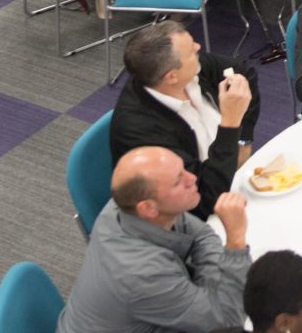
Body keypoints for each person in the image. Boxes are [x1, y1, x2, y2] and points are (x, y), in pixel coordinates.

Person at [48, 147, 250, 333]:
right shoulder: (139, 272)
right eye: (178, 180)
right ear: (148, 208)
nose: (193, 178)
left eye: (184, 170)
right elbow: (229, 318)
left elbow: (201, 235)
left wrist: (197, 317)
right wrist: (236, 241)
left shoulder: (122, 210)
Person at [111, 22, 260, 220]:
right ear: (172, 76)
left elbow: (244, 72)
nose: (198, 47)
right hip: (197, 215)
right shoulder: (142, 131)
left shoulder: (186, 70)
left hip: (230, 173)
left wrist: (243, 141)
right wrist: (231, 122)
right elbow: (204, 199)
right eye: (191, 51)